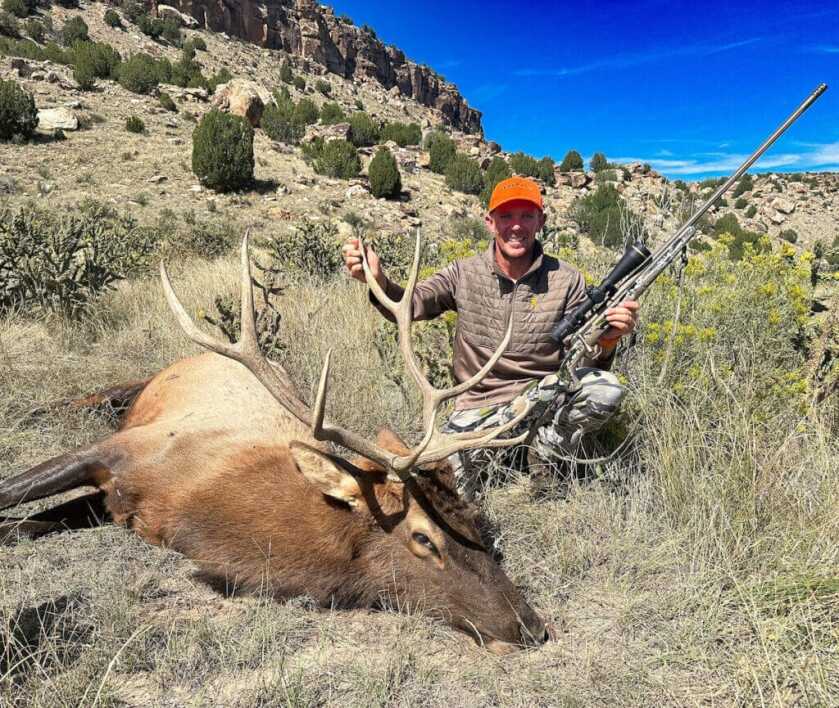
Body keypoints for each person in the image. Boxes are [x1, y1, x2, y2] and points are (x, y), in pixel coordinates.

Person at [341, 176, 639, 499]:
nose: (516, 226)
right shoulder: (463, 273)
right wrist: (378, 280)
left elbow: (581, 355)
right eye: (506, 216)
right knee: (442, 492)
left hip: (540, 402)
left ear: (541, 221)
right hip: (478, 407)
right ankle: (493, 458)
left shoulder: (567, 280)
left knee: (605, 389)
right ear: (490, 222)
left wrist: (607, 343)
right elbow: (412, 303)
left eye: (526, 215)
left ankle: (546, 457)